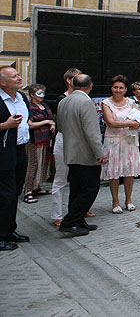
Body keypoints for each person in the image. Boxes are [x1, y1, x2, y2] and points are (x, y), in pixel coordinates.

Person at [56, 73, 108, 237]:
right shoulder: (85, 102)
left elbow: (61, 126)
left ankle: (78, 220)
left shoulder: (64, 101)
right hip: (85, 154)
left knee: (77, 189)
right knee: (90, 188)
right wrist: (99, 152)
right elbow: (91, 132)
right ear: (90, 86)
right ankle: (70, 221)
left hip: (71, 151)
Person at [100, 75, 140, 214]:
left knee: (129, 171)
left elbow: (138, 121)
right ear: (111, 88)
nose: (118, 90)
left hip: (128, 140)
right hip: (112, 140)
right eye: (115, 87)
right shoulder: (106, 103)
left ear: (125, 90)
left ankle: (128, 200)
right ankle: (115, 201)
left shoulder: (131, 102)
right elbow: (110, 122)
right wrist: (130, 123)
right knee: (114, 172)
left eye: (121, 88)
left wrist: (135, 125)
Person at [0, 66, 31, 250]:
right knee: (6, 195)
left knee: (15, 193)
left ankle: (10, 229)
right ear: (3, 82)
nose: (19, 78)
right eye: (14, 76)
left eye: (19, 75)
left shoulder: (22, 98)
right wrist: (5, 125)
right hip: (4, 152)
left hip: (20, 150)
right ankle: (1, 235)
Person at [50, 67, 83, 226]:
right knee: (61, 178)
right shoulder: (61, 99)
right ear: (69, 80)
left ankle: (78, 210)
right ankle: (57, 214)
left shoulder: (83, 98)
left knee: (79, 178)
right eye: (77, 78)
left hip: (79, 141)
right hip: (65, 139)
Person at [24, 83, 54, 202]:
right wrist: (46, 122)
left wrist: (51, 124)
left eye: (43, 93)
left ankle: (37, 186)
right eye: (39, 93)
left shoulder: (44, 106)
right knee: (33, 164)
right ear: (32, 95)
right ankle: (28, 190)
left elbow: (50, 119)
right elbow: (30, 124)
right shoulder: (30, 107)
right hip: (35, 139)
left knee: (43, 163)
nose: (42, 96)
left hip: (45, 139)